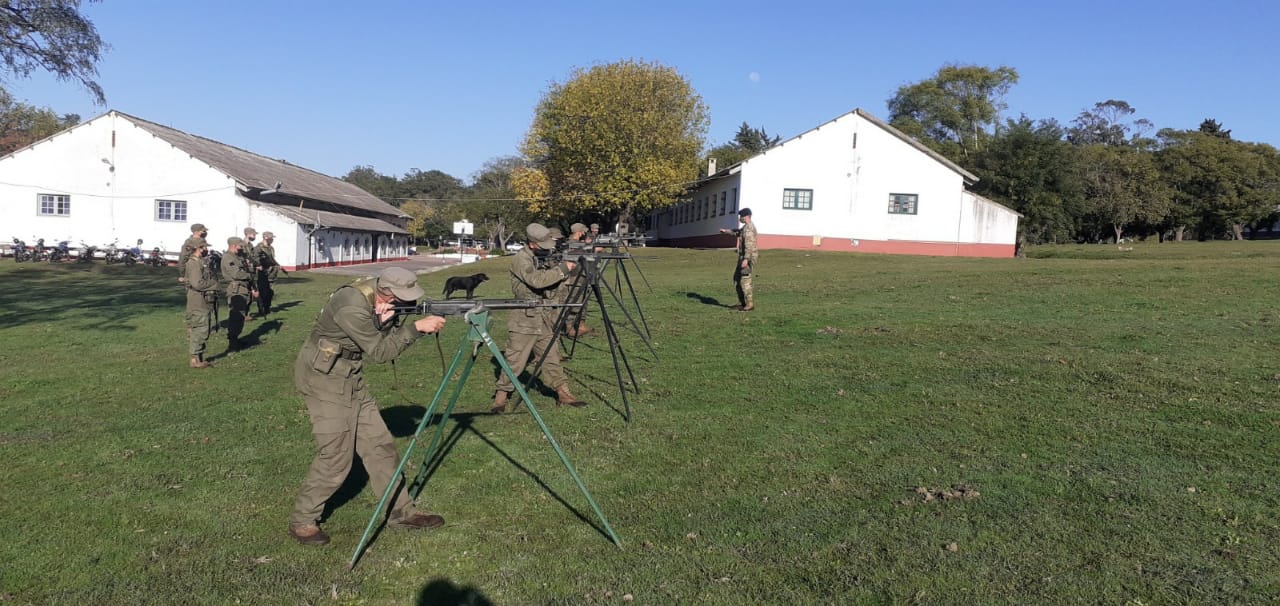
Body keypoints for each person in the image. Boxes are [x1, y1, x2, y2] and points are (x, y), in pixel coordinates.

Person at [288, 267, 448, 546]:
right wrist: (415, 328)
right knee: (336, 454)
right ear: (386, 291)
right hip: (323, 377)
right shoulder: (352, 304)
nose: (406, 302)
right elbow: (381, 352)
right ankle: (303, 520)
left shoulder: (377, 296)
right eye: (403, 297)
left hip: (349, 373)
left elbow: (375, 336)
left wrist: (386, 322)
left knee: (380, 445)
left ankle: (401, 512)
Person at [490, 223, 586, 413]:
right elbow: (537, 281)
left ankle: (563, 393)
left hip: (544, 317)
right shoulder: (521, 259)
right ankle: (501, 397)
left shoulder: (539, 256)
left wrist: (562, 266)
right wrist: (562, 269)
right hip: (524, 319)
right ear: (533, 244)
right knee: (515, 360)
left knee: (551, 357)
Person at [183, 237, 219, 368]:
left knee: (202, 327)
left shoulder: (200, 262)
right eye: (204, 247)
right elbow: (197, 284)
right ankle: (194, 359)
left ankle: (198, 357)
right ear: (198, 248)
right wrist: (214, 284)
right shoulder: (194, 263)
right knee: (200, 328)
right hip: (197, 299)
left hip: (202, 298)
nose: (206, 249)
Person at [719, 207, 758, 311]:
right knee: (737, 279)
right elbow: (737, 233)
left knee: (745, 280)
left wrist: (746, 260)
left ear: (748, 216)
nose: (741, 218)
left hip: (747, 258)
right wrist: (726, 231)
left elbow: (749, 246)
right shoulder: (745, 228)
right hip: (743, 257)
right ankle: (742, 303)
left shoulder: (749, 228)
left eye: (742, 216)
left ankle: (749, 304)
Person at [222, 237, 257, 351]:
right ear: (233, 245)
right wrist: (249, 275)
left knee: (240, 316)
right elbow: (236, 273)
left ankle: (235, 339)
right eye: (240, 246)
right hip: (235, 289)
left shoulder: (238, 257)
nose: (242, 248)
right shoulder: (228, 258)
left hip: (242, 288)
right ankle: (233, 342)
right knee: (236, 316)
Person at [254, 231, 281, 316]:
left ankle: (267, 307)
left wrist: (277, 265)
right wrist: (259, 265)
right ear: (266, 237)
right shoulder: (259, 247)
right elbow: (255, 258)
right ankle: (261, 309)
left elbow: (272, 258)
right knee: (263, 291)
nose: (272, 240)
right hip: (262, 273)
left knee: (270, 292)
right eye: (271, 238)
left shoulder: (271, 248)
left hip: (271, 273)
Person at [242, 228, 260, 320]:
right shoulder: (242, 245)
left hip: (252, 271)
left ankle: (246, 313)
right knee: (245, 293)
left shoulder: (250, 245)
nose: (255, 236)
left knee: (250, 294)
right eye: (254, 234)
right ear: (247, 234)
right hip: (245, 271)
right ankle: (242, 314)